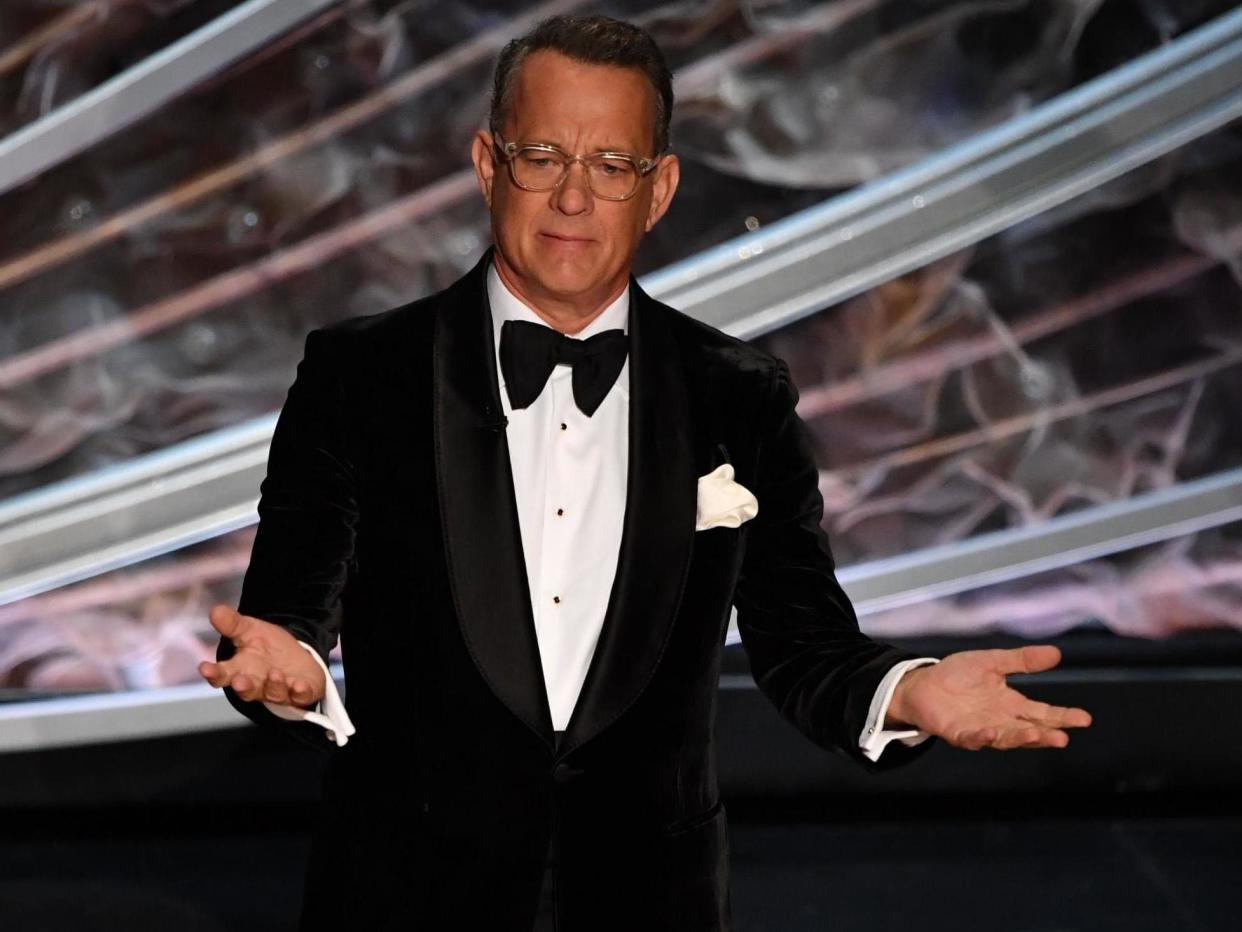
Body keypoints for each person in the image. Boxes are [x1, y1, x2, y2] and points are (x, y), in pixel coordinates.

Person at [198, 14, 1091, 931]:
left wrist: (907, 690)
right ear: (487, 163)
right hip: (404, 897)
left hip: (648, 903)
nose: (574, 198)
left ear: (658, 188)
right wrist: (290, 671)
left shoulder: (737, 394)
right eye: (543, 154)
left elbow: (802, 641)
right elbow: (284, 619)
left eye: (611, 165)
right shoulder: (360, 375)